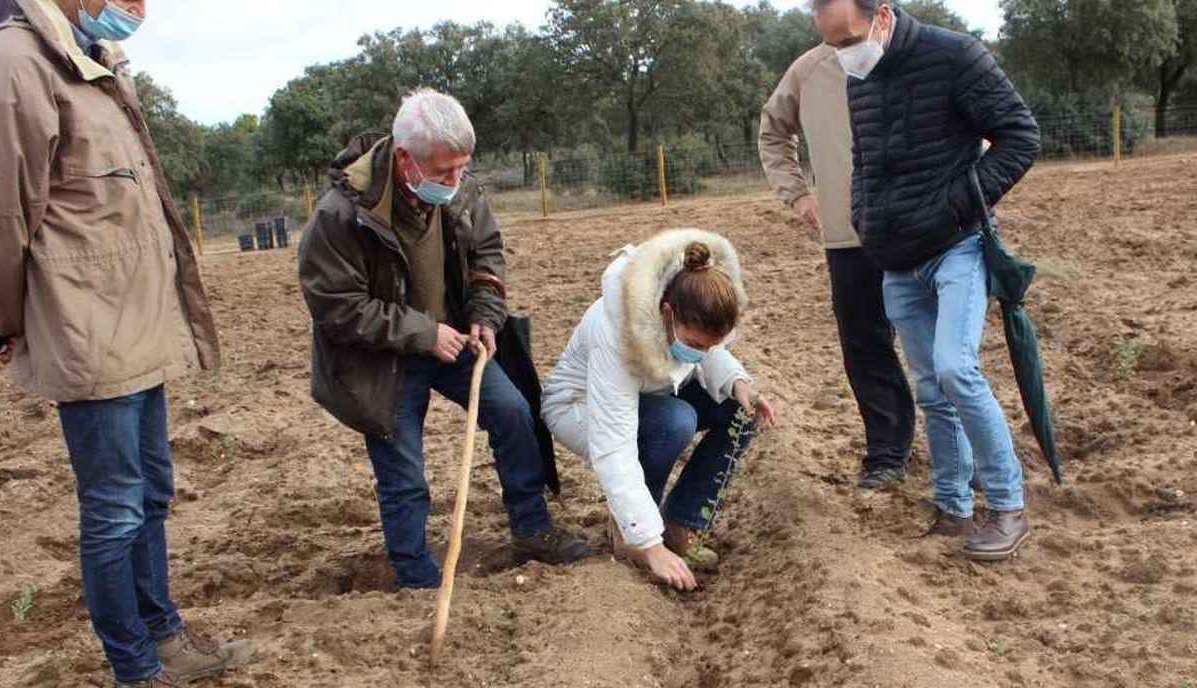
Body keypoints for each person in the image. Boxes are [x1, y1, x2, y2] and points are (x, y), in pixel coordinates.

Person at [0, 0, 256, 688]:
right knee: (114, 508)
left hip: (134, 322)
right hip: (86, 327)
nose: (138, 8)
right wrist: (2, 321)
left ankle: (164, 636)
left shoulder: (94, 59)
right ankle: (135, 677)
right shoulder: (14, 64)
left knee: (149, 491)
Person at [297, 89, 590, 589]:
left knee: (515, 414)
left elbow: (487, 255)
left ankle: (532, 531)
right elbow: (337, 307)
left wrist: (483, 312)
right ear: (405, 158)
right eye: (443, 173)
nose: (455, 182)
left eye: (462, 168)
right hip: (383, 360)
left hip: (455, 340)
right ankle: (415, 574)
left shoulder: (461, 189)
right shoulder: (340, 216)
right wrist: (422, 332)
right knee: (403, 474)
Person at [814, 0, 1041, 561]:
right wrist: (866, 218)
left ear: (882, 16)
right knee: (931, 389)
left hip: (956, 248)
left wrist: (959, 203)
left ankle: (1008, 507)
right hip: (895, 259)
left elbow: (1020, 135)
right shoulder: (859, 76)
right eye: (832, 46)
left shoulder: (955, 55)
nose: (843, 55)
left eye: (849, 41)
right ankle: (953, 508)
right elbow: (864, 160)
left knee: (956, 369)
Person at [542, 231, 778, 592]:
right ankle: (632, 532)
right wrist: (648, 545)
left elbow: (707, 352)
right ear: (666, 312)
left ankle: (682, 523)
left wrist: (739, 383)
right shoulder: (617, 332)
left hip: (649, 393)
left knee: (739, 408)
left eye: (710, 344)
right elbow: (614, 445)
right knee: (673, 421)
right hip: (579, 405)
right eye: (695, 344)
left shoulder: (686, 298)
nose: (701, 352)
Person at [759, 42, 915, 491]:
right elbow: (772, 130)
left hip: (920, 231)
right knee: (866, 346)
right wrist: (799, 193)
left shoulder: (914, 52)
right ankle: (887, 452)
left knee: (939, 351)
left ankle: (964, 454)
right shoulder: (808, 70)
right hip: (848, 237)